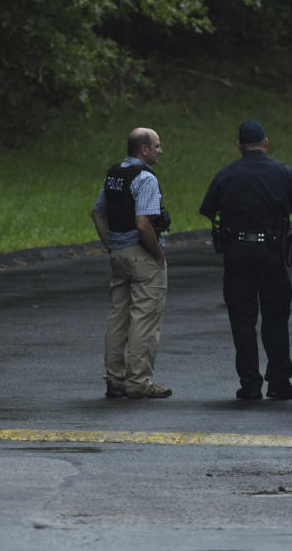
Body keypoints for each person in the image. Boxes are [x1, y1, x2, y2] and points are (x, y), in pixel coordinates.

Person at [199, 119, 292, 401]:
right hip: (271, 255)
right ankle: (279, 382)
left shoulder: (226, 175)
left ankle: (250, 384)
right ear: (266, 143)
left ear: (239, 147)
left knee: (242, 321)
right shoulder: (282, 172)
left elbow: (208, 209)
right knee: (276, 318)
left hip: (237, 257)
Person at [92, 127, 172, 399]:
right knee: (144, 319)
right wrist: (157, 253)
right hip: (142, 256)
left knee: (118, 317)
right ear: (144, 150)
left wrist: (111, 246)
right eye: (157, 146)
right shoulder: (145, 178)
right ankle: (139, 381)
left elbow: (98, 213)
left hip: (119, 254)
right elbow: (143, 223)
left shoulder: (114, 174)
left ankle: (114, 380)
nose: (160, 151)